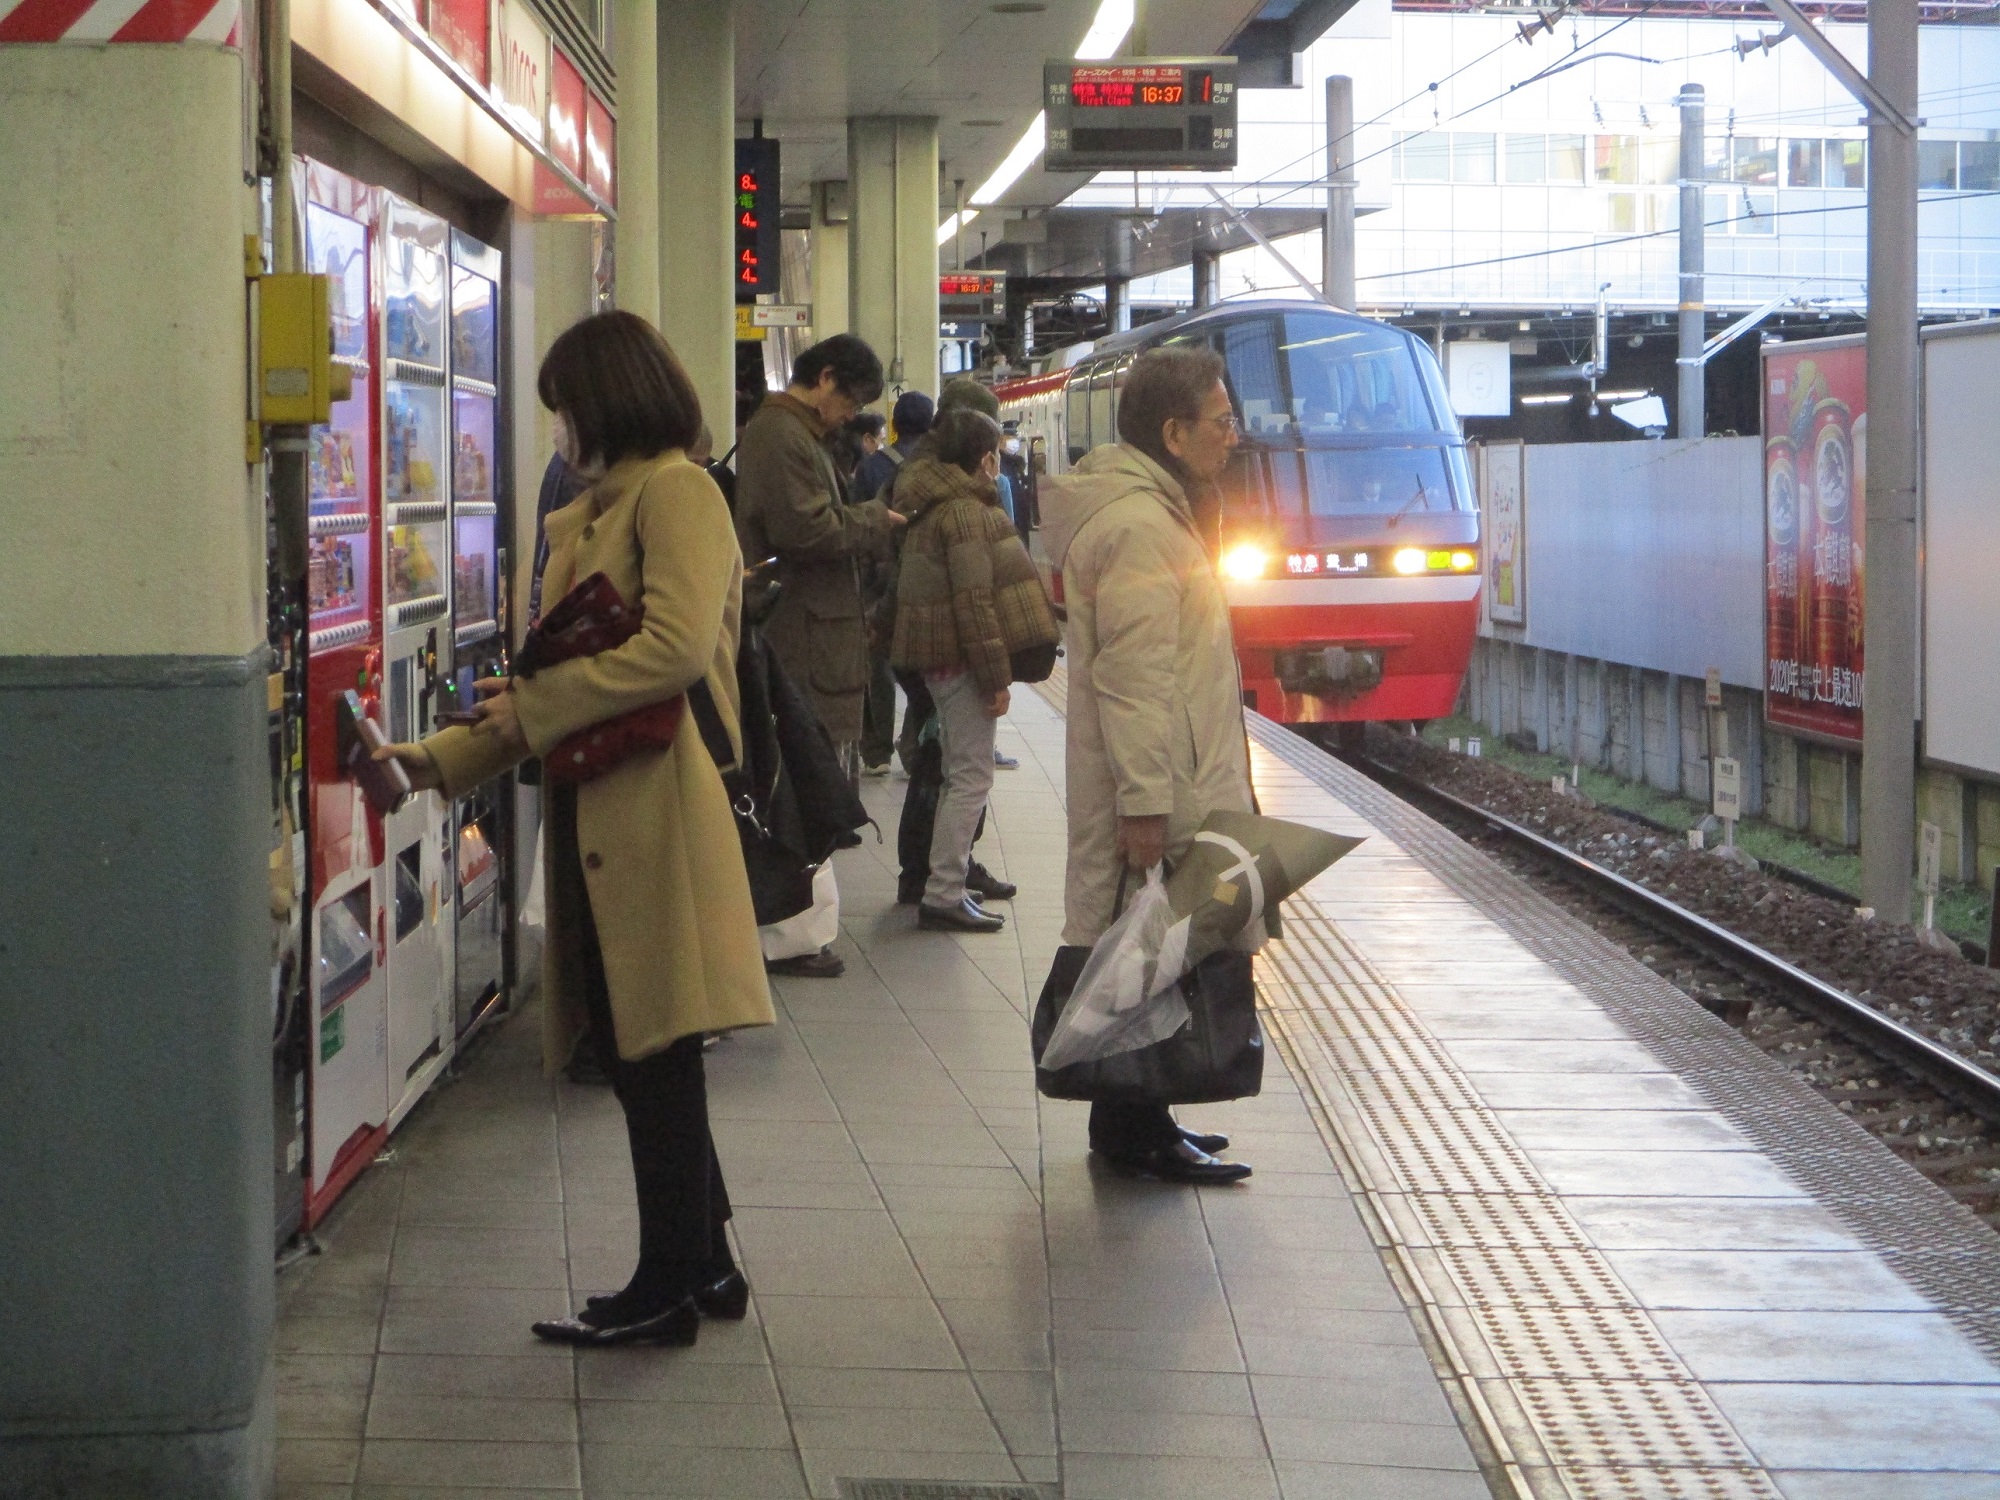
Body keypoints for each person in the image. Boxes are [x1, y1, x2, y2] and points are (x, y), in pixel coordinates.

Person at [375, 310, 774, 1342]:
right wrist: (430, 764)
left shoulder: (676, 493)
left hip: (657, 808)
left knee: (652, 1050)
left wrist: (539, 711)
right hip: (609, 806)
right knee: (649, 1044)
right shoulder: (601, 507)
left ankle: (666, 1284)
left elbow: (676, 650)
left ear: (605, 402)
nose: (557, 429)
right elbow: (548, 686)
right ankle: (706, 1266)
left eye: (563, 408)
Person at [1037, 345, 1256, 1185]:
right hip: (1159, 779)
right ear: (1174, 432)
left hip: (1171, 771)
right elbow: (1134, 681)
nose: (1232, 436)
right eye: (1220, 421)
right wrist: (1145, 801)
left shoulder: (1157, 513)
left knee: (1147, 945)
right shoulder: (1136, 527)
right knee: (1143, 947)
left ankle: (1136, 1122)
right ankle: (1136, 1126)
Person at [890, 408, 1058, 933]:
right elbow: (975, 602)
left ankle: (945, 884)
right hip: (958, 660)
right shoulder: (963, 512)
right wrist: (994, 678)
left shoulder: (932, 503)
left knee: (959, 772)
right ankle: (943, 892)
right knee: (970, 777)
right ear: (986, 459)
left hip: (939, 656)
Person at [734, 334, 904, 765]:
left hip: (813, 637)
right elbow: (807, 531)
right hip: (801, 640)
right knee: (809, 779)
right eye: (852, 401)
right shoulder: (780, 434)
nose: (850, 415)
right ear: (826, 378)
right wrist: (873, 519)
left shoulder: (799, 434)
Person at [853, 389, 934, 504]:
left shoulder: (868, 467)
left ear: (893, 425)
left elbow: (859, 516)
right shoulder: (942, 465)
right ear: (931, 426)